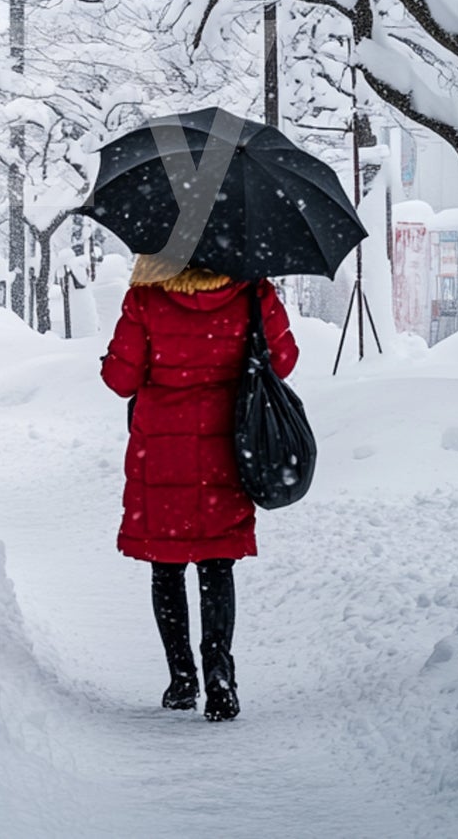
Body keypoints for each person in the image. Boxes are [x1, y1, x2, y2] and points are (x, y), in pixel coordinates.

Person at [101, 254, 298, 721]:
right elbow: (283, 363)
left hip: (161, 451)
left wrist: (113, 360)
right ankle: (220, 674)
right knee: (216, 562)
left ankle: (182, 679)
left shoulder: (146, 296)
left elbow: (120, 379)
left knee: (166, 567)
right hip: (227, 445)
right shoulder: (253, 292)